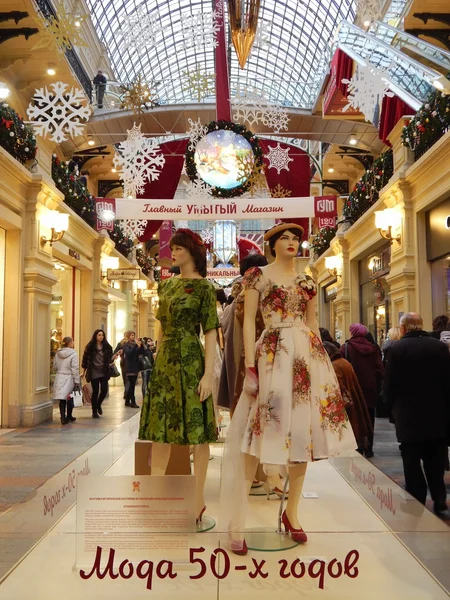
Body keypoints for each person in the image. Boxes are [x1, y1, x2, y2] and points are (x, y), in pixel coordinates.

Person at [220, 223, 356, 555]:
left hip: (305, 356)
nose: (292, 242)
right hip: (272, 354)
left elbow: (312, 323)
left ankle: (292, 514)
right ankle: (238, 520)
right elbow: (249, 320)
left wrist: (321, 361)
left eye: (296, 238)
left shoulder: (307, 280)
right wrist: (250, 363)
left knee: (302, 435)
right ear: (272, 244)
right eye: (285, 238)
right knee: (258, 433)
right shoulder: (258, 276)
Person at [139, 228, 219, 523]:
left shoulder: (205, 289)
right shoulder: (167, 286)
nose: (173, 253)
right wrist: (158, 355)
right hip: (167, 362)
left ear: (193, 252)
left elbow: (210, 331)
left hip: (191, 358)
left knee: (197, 430)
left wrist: (208, 373)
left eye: (179, 248)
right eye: (172, 248)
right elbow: (160, 325)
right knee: (160, 429)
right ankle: (154, 495)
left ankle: (198, 497)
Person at [383, 312, 450, 514]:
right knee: (436, 459)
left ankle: (416, 499)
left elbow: (390, 384)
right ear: (421, 325)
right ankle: (439, 500)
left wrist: (389, 405)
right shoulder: (440, 347)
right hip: (437, 414)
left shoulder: (396, 349)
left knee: (411, 458)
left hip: (408, 415)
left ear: (403, 328)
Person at [340, 323, 383, 457]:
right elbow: (380, 370)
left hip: (352, 387)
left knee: (354, 416)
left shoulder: (346, 348)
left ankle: (357, 445)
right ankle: (369, 447)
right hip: (370, 388)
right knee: (370, 417)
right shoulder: (373, 348)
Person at [323, 341, 373, 456]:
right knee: (358, 429)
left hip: (347, 406)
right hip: (354, 401)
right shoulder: (344, 362)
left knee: (352, 430)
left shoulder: (334, 365)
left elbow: (338, 387)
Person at [82, 329, 121, 418]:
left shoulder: (107, 347)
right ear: (95, 336)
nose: (101, 337)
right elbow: (85, 359)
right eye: (99, 335)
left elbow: (110, 359)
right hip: (94, 371)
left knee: (104, 390)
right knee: (95, 391)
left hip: (104, 371)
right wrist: (84, 371)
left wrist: (115, 356)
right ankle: (94, 411)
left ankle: (98, 404)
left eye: (102, 335)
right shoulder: (90, 346)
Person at [53, 336, 80, 425]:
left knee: (62, 398)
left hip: (60, 376)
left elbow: (55, 366)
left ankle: (62, 417)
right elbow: (75, 368)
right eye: (72, 342)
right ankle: (69, 415)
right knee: (70, 396)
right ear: (70, 343)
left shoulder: (58, 353)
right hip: (69, 376)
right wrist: (77, 380)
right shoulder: (73, 354)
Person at [122, 332, 149, 408]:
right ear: (128, 336)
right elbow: (129, 353)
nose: (133, 337)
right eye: (131, 335)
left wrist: (141, 345)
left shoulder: (135, 344)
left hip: (135, 366)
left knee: (132, 384)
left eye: (134, 335)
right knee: (131, 385)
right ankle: (132, 401)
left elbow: (142, 353)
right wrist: (136, 346)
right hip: (129, 366)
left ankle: (127, 401)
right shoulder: (125, 345)